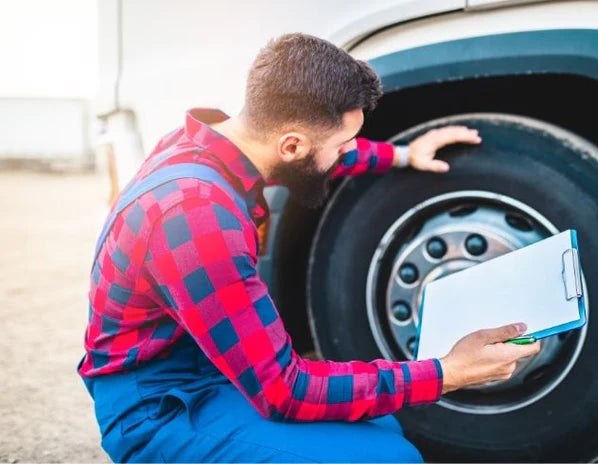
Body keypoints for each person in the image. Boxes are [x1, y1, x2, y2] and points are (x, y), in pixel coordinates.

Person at [77, 32, 541, 463]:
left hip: (201, 368)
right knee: (390, 459)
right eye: (344, 144)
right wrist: (448, 372)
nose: (347, 151)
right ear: (293, 144)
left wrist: (403, 155)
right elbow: (285, 391)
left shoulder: (213, 142)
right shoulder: (197, 216)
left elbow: (311, 160)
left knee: (382, 424)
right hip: (159, 410)